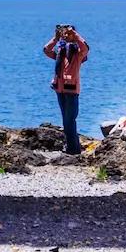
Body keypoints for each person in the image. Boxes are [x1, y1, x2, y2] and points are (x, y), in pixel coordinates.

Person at [43, 23, 90, 155]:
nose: (66, 36)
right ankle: (73, 147)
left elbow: (86, 48)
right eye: (65, 33)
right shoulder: (60, 53)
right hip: (60, 90)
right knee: (66, 120)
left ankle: (73, 149)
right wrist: (56, 38)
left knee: (70, 120)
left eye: (68, 33)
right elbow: (46, 50)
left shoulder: (78, 54)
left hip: (72, 91)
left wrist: (74, 35)